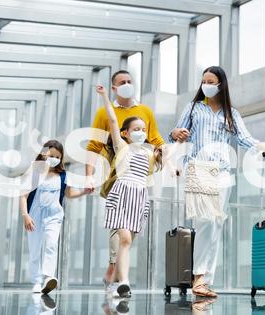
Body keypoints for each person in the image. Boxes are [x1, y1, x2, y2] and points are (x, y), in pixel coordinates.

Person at [169, 66, 265, 297]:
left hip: (223, 172)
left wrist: (260, 146)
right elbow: (174, 132)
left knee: (216, 224)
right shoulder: (194, 107)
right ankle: (198, 277)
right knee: (205, 220)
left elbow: (243, 137)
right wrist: (177, 133)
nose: (206, 84)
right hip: (197, 167)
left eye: (211, 81)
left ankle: (204, 280)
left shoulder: (231, 113)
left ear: (220, 85)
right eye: (203, 80)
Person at [84, 70, 165, 289]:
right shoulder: (120, 141)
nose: (127, 84)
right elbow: (99, 138)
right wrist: (89, 176)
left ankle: (116, 272)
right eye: (122, 82)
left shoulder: (148, 148)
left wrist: (172, 159)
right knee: (123, 238)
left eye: (130, 81)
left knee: (129, 240)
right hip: (118, 185)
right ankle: (122, 280)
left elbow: (160, 144)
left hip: (139, 196)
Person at [20, 140, 90, 295]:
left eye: (58, 156)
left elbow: (69, 194)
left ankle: (48, 278)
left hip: (54, 215)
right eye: (52, 155)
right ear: (45, 153)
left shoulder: (63, 175)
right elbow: (23, 196)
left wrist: (84, 192)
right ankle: (36, 282)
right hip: (34, 216)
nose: (55, 158)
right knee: (35, 249)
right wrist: (25, 215)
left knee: (51, 244)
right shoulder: (35, 172)